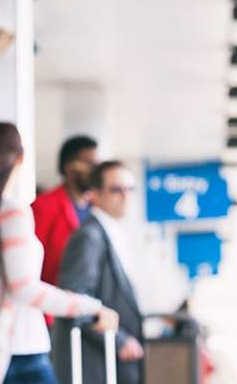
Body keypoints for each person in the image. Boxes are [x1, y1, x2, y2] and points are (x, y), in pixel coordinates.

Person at [0, 123, 119, 384]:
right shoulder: (13, 212)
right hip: (21, 351)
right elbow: (24, 288)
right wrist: (91, 306)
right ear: (20, 159)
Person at [52, 161, 144, 384]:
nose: (125, 196)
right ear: (94, 195)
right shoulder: (89, 236)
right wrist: (119, 340)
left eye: (130, 189)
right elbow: (75, 297)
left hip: (113, 362)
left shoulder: (111, 233)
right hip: (95, 364)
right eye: (116, 189)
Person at [30, 136, 98, 326]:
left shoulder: (97, 210)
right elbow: (33, 267)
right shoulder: (44, 207)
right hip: (52, 318)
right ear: (70, 167)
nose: (96, 171)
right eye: (90, 164)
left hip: (90, 316)